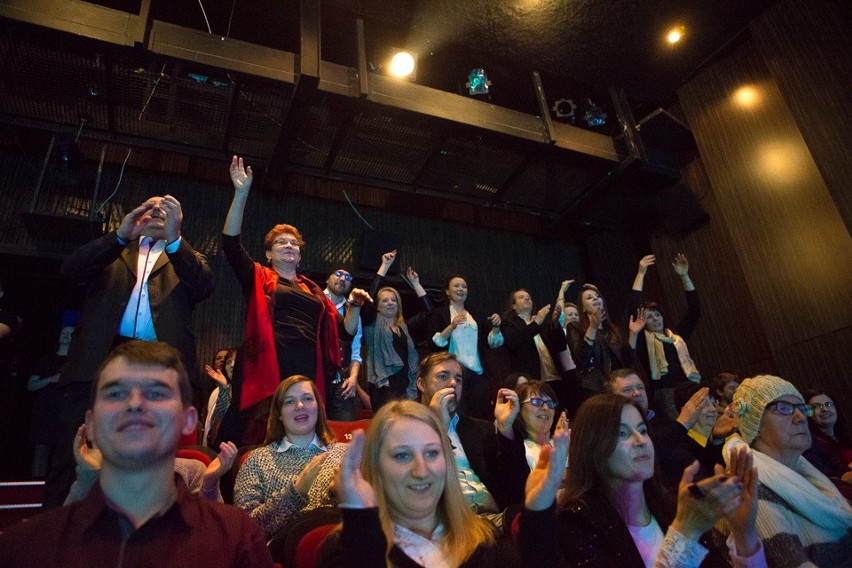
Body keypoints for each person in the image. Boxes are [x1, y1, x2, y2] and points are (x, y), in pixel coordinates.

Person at [0, 340, 273, 567]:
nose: (134, 403)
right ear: (91, 424)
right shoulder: (25, 549)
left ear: (188, 420)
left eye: (155, 393)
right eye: (116, 393)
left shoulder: (237, 539)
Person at [44, 194, 214, 508]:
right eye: (151, 208)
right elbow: (70, 270)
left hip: (158, 362)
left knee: (150, 454)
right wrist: (121, 235)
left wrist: (176, 240)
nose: (157, 214)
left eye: (166, 212)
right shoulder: (114, 249)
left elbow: (204, 286)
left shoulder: (186, 256)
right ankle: (54, 537)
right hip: (96, 360)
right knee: (70, 451)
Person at [520, 393, 765, 567]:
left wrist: (744, 533)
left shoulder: (672, 509)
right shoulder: (577, 526)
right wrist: (685, 533)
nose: (640, 440)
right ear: (593, 448)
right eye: (622, 433)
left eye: (643, 430)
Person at [223, 156, 368, 443]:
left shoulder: (313, 290)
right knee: (253, 427)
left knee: (303, 428)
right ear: (268, 253)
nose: (289, 245)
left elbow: (345, 331)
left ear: (300, 255)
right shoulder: (259, 276)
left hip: (307, 365)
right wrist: (241, 194)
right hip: (268, 358)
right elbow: (230, 243)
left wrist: (353, 305)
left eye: (294, 243)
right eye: (281, 242)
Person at [320, 400, 519, 568]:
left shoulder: (485, 537)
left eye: (432, 453)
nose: (421, 471)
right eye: (402, 455)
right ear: (376, 466)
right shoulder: (347, 548)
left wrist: (541, 515)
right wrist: (363, 527)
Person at [725, 375, 852, 565]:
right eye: (784, 408)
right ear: (755, 425)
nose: (801, 417)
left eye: (802, 408)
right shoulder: (751, 490)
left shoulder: (805, 473)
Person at [234, 375, 346, 540]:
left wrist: (345, 496)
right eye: (289, 401)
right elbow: (246, 529)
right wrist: (296, 492)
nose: (300, 406)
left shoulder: (346, 454)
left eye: (307, 398)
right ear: (279, 414)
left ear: (319, 407)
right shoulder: (256, 460)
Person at [416, 352, 528, 514]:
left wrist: (506, 429)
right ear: (421, 384)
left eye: (458, 379)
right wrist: (438, 428)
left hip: (494, 516)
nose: (453, 382)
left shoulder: (481, 430)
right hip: (447, 520)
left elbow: (516, 487)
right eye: (442, 376)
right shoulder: (404, 430)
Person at [64, 423, 236, 504]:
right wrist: (90, 472)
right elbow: (68, 536)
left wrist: (210, 483)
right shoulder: (104, 471)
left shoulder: (192, 469)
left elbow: (212, 534)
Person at [629, 254, 701, 419]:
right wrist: (640, 273)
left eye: (657, 315)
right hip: (666, 395)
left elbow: (695, 311)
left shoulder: (675, 337)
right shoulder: (643, 341)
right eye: (650, 317)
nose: (655, 319)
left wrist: (684, 276)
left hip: (689, 387)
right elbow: (633, 306)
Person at [424, 274, 503, 419]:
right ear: (447, 291)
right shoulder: (439, 313)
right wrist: (452, 326)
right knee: (456, 414)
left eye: (464, 286)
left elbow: (493, 343)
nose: (461, 289)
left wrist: (496, 328)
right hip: (454, 373)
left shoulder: (476, 314)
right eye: (456, 286)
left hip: (477, 373)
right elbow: (434, 343)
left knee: (481, 415)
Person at [361, 250, 431, 411]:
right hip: (383, 386)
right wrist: (385, 266)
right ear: (377, 306)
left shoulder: (404, 328)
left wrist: (415, 284)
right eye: (384, 300)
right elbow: (370, 297)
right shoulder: (371, 324)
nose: (390, 303)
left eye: (393, 300)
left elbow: (429, 313)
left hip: (406, 386)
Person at [567, 283, 632, 406]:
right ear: (583, 308)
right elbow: (581, 358)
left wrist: (633, 334)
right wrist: (593, 327)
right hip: (594, 389)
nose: (595, 298)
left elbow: (627, 362)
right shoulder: (575, 327)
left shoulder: (612, 329)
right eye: (589, 297)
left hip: (618, 387)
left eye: (597, 296)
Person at [28, 324, 74, 477]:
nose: (66, 335)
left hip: (64, 413)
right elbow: (31, 385)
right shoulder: (46, 360)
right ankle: (35, 490)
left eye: (70, 333)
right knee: (41, 453)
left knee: (62, 456)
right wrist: (50, 380)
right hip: (44, 412)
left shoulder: (75, 363)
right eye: (63, 332)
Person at [324, 268, 365, 421]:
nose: (342, 279)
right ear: (328, 279)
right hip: (314, 380)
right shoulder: (314, 299)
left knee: (344, 432)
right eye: (338, 274)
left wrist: (354, 378)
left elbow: (355, 352)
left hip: (342, 383)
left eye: (348, 277)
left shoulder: (352, 311)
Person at [804, 389, 852, 471]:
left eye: (828, 404)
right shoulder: (811, 446)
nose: (825, 409)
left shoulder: (845, 436)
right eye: (817, 406)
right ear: (808, 413)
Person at [203, 348, 237, 448]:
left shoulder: (254, 391)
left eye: (236, 361)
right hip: (222, 446)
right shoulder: (219, 390)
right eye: (228, 362)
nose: (232, 365)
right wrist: (223, 389)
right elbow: (219, 419)